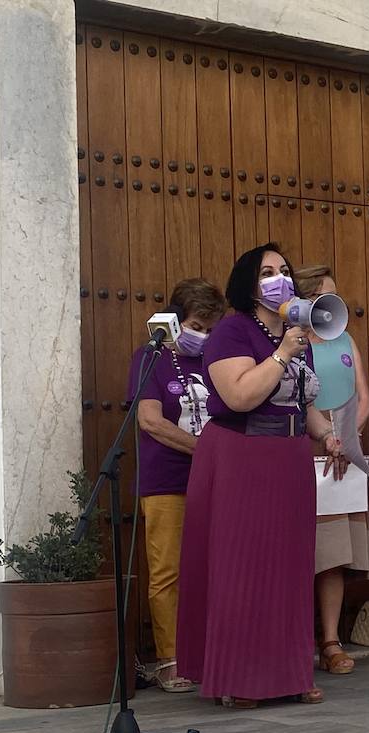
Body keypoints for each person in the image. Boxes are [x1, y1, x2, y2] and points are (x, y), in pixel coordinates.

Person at [176, 243, 344, 707]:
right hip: (240, 455)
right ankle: (240, 678)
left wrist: (329, 437)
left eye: (284, 270)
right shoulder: (231, 332)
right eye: (268, 271)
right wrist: (283, 353)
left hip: (288, 459)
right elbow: (239, 397)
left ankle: (290, 672)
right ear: (250, 284)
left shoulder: (296, 333)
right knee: (242, 567)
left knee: (289, 568)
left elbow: (305, 404)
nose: (279, 278)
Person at [129, 278, 226, 693]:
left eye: (209, 327)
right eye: (196, 324)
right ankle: (170, 658)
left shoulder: (216, 361)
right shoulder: (149, 359)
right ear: (174, 320)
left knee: (212, 568)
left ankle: (210, 654)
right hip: (166, 480)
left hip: (214, 482)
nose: (201, 335)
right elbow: (150, 420)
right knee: (168, 570)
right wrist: (202, 450)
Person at [293, 265, 369, 675]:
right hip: (300, 444)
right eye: (326, 295)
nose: (334, 304)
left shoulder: (344, 338)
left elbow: (364, 398)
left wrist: (346, 438)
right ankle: (294, 641)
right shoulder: (288, 341)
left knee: (333, 552)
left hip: (343, 446)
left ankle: (329, 640)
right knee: (298, 547)